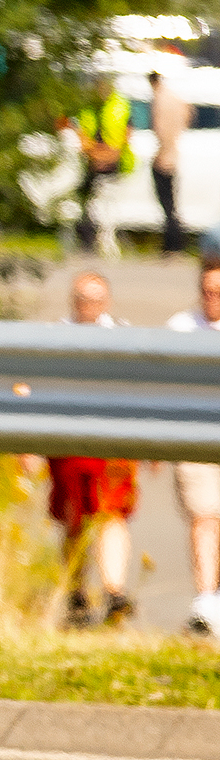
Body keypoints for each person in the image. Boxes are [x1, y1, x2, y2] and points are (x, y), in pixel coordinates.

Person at [47, 271, 139, 626]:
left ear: (107, 302)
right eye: (83, 299)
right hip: (68, 441)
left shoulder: (122, 336)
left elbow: (136, 389)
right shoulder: (57, 335)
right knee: (74, 517)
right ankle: (77, 593)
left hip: (113, 440)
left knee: (113, 512)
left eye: (96, 299)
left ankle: (114, 591)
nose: (90, 306)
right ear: (73, 301)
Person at [169, 265, 220, 634]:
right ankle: (204, 598)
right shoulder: (181, 328)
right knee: (204, 515)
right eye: (207, 290)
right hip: (196, 435)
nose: (212, 298)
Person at [70, 78, 134, 254]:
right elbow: (81, 137)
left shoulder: (120, 106)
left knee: (108, 204)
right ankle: (87, 241)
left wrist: (106, 156)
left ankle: (106, 238)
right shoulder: (87, 108)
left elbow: (124, 138)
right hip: (91, 163)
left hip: (114, 165)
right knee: (85, 201)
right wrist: (94, 155)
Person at [152, 70, 189, 256]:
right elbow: (188, 114)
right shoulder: (175, 97)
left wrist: (163, 153)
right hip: (174, 154)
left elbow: (160, 129)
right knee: (172, 204)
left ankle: (173, 243)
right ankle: (176, 243)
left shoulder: (160, 99)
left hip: (165, 157)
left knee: (167, 203)